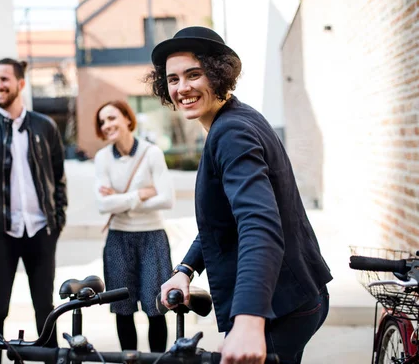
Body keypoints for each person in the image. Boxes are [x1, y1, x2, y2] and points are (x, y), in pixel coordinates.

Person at [147, 27, 333, 364]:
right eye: (173, 79)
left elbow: (258, 223)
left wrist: (249, 319)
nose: (182, 87)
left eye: (193, 74)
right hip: (296, 295)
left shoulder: (231, 133)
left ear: (218, 74)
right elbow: (225, 218)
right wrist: (186, 269)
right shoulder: (235, 119)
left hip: (279, 307)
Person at [0, 58, 67, 364]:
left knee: (46, 308)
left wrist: (57, 220)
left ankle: (50, 361)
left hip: (40, 231)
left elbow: (58, 177)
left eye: (4, 80)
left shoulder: (45, 126)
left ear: (20, 84)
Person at [93, 100, 175, 352]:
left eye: (112, 118)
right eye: (102, 121)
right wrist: (139, 195)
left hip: (152, 238)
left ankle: (158, 361)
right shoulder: (102, 157)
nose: (106, 125)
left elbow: (167, 199)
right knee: (123, 310)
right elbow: (102, 205)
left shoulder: (152, 153)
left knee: (156, 309)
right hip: (118, 240)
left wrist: (120, 201)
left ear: (128, 119)